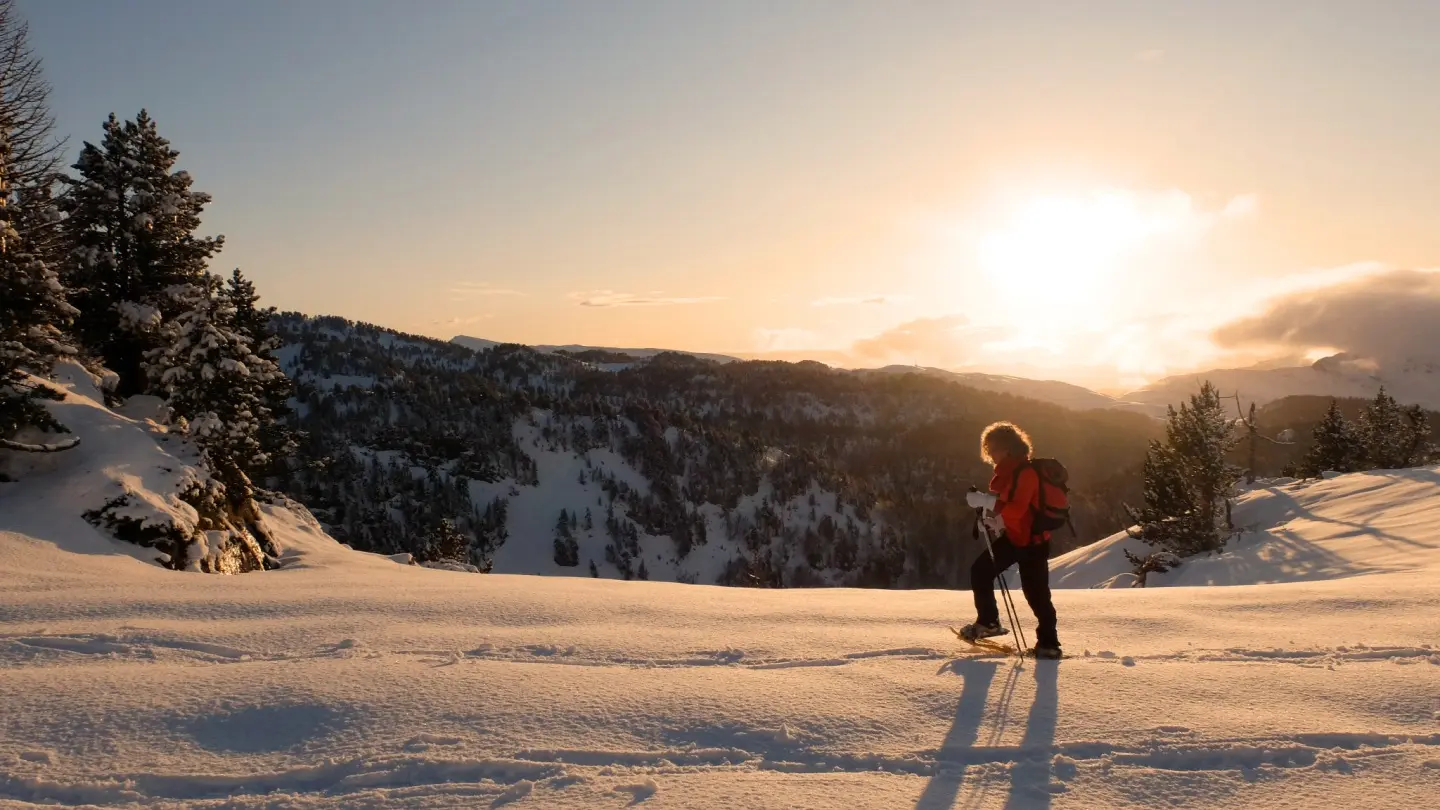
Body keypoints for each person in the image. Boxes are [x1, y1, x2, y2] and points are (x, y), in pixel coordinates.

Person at [957, 421, 1062, 659]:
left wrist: (985, 502)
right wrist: (998, 523)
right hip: (1016, 537)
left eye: (993, 449)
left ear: (1008, 449)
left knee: (1036, 595)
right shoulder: (1010, 474)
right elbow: (1014, 510)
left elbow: (1018, 509)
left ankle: (1049, 643)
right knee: (981, 571)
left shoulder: (1025, 473)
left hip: (1033, 543)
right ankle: (989, 621)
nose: (990, 454)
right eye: (988, 449)